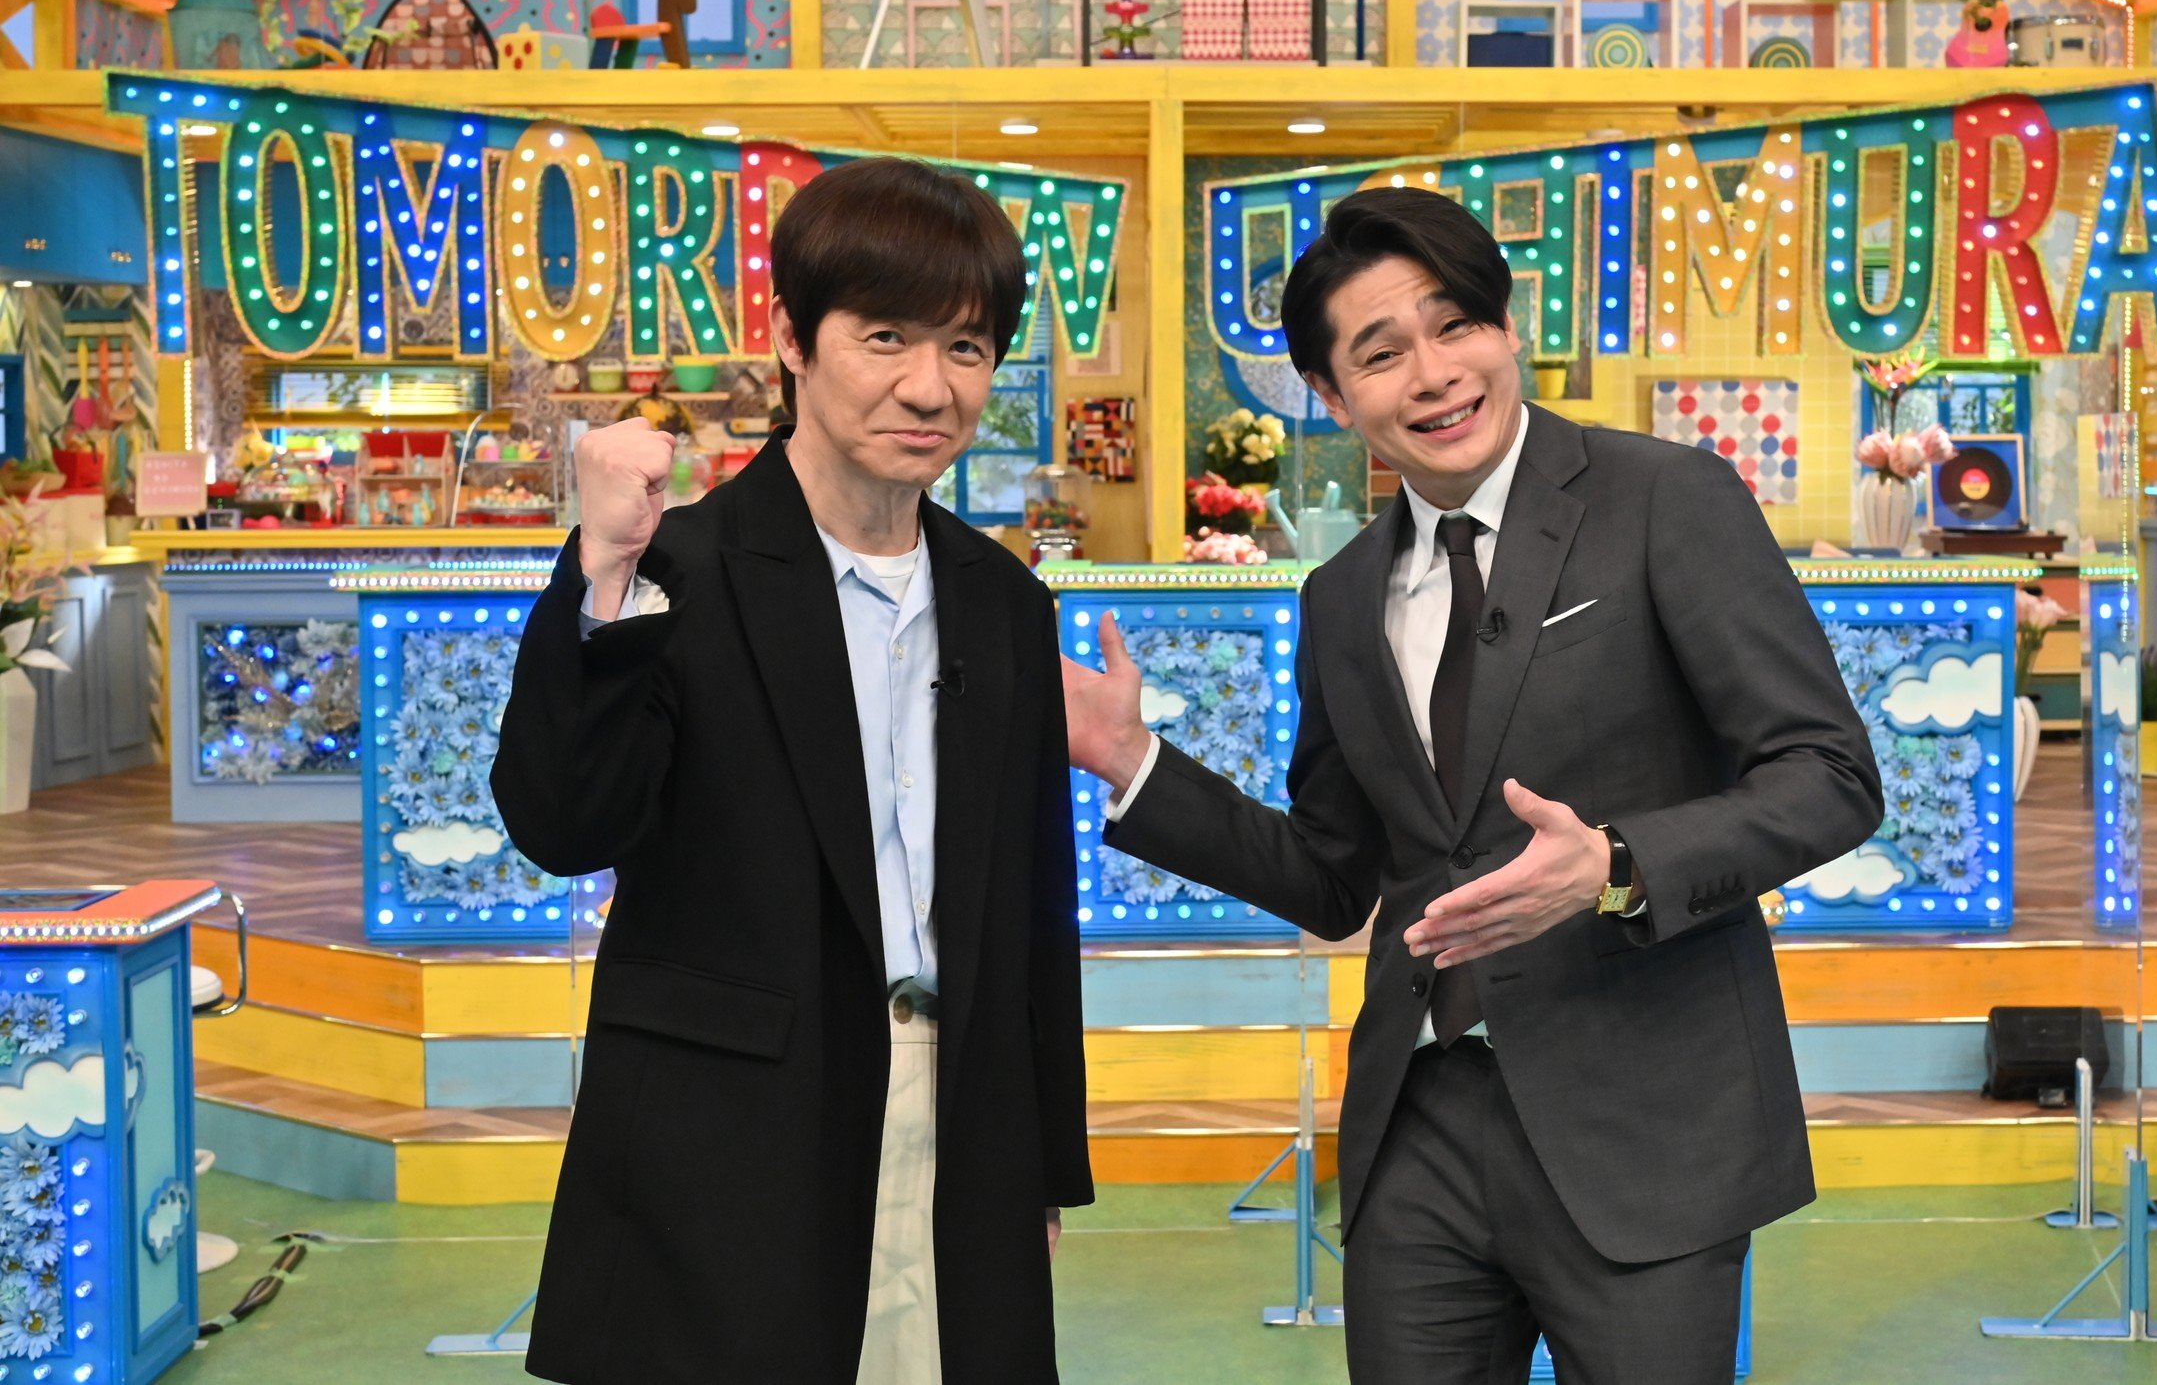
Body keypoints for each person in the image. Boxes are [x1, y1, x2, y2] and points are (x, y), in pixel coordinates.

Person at [1065, 188, 1883, 1384]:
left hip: (1646, 1119)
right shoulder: (1341, 595)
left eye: (1455, 325)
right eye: (1381, 353)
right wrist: (1129, 763)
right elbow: (1337, 877)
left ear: (1507, 330)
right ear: (1334, 397)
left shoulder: (1665, 499)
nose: (1435, 373)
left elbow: (1830, 775)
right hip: (1419, 1128)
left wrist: (1615, 866)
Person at [492, 156, 1091, 1384]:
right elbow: (561, 823)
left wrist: (1042, 1163)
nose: (929, 387)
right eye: (885, 337)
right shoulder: (677, 569)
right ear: (791, 341)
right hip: (730, 1134)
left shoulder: (1005, 603)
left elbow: (1034, 910)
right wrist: (599, 571)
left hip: (958, 1119)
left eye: (967, 348)